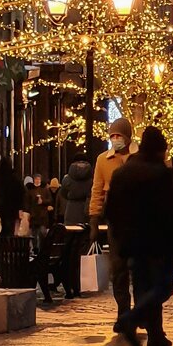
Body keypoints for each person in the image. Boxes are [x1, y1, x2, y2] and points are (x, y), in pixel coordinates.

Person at [106, 126, 173, 346]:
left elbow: (111, 209)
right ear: (159, 150)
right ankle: (131, 319)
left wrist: (119, 236)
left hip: (132, 243)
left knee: (142, 288)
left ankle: (155, 334)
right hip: (158, 242)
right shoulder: (161, 174)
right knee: (164, 285)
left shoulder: (122, 173)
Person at [89, 117, 138, 331]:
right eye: (112, 136)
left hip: (139, 220)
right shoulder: (103, 160)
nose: (115, 140)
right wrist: (94, 217)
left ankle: (141, 311)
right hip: (116, 220)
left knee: (138, 268)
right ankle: (123, 313)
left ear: (128, 137)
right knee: (118, 270)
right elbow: (97, 190)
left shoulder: (139, 158)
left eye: (119, 136)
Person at [60, 153, 93, 299]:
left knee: (69, 251)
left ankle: (69, 284)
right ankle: (82, 283)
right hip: (85, 214)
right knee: (83, 250)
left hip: (70, 214)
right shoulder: (91, 179)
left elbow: (64, 194)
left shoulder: (67, 179)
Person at [0, 157, 26, 238]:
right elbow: (21, 193)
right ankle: (9, 245)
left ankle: (2, 245)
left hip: (0, 206)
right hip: (13, 207)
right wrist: (21, 207)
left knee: (1, 226)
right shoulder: (15, 178)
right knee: (10, 227)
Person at [25, 173, 52, 247]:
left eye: (38, 179)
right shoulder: (30, 190)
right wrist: (28, 212)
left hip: (42, 215)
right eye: (36, 179)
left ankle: (42, 248)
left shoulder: (45, 190)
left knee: (42, 233)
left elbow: (50, 200)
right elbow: (27, 202)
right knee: (34, 234)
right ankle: (35, 249)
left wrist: (42, 201)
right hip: (33, 215)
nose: (37, 180)